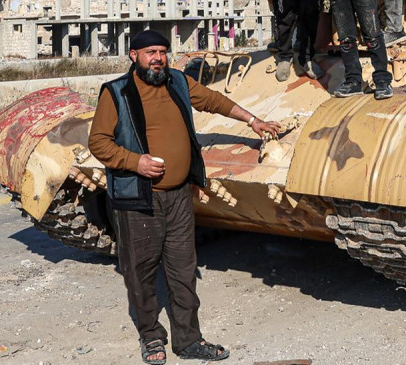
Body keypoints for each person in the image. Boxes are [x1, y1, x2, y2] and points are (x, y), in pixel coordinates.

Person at [88, 29, 280, 364]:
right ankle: (150, 336)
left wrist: (253, 120)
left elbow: (213, 100)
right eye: (150, 52)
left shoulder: (177, 81)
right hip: (139, 199)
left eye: (162, 51)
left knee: (183, 270)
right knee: (141, 271)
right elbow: (99, 142)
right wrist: (136, 162)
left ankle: (188, 341)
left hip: (178, 197)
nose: (158, 58)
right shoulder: (116, 93)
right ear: (134, 56)